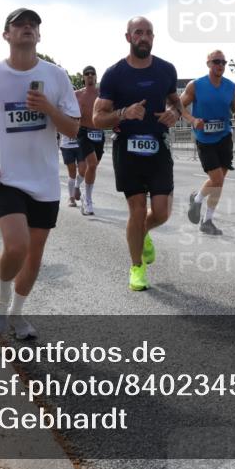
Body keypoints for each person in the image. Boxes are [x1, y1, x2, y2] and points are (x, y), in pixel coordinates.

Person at [0, 7, 80, 340]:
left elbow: (73, 128)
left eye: (33, 25)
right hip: (7, 178)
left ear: (39, 35)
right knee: (16, 246)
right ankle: (1, 299)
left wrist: (48, 108)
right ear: (7, 35)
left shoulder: (56, 76)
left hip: (44, 181)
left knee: (34, 256)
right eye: (19, 24)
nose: (27, 28)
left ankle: (17, 314)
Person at [93, 16, 182, 291]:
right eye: (138, 32)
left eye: (149, 33)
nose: (144, 37)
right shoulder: (114, 74)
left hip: (158, 146)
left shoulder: (166, 70)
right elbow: (97, 117)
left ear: (153, 38)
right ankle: (136, 267)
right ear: (128, 37)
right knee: (138, 209)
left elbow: (176, 103)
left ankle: (141, 235)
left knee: (163, 212)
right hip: (127, 147)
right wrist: (123, 113)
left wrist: (174, 113)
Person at [181, 49, 235, 235]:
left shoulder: (231, 87)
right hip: (204, 138)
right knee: (216, 179)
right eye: (216, 61)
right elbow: (179, 106)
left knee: (219, 181)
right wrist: (193, 120)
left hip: (224, 136)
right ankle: (197, 200)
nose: (220, 65)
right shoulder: (196, 86)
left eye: (224, 62)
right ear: (208, 64)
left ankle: (207, 221)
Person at [74, 65, 104, 216]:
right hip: (83, 132)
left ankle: (78, 183)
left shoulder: (102, 93)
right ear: (83, 77)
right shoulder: (77, 95)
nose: (90, 76)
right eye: (87, 74)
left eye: (93, 73)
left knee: (91, 167)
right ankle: (88, 201)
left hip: (99, 132)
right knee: (91, 164)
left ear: (96, 77)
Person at [59, 132, 84, 207]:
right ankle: (71, 198)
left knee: (83, 170)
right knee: (72, 172)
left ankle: (77, 186)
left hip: (81, 145)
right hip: (66, 146)